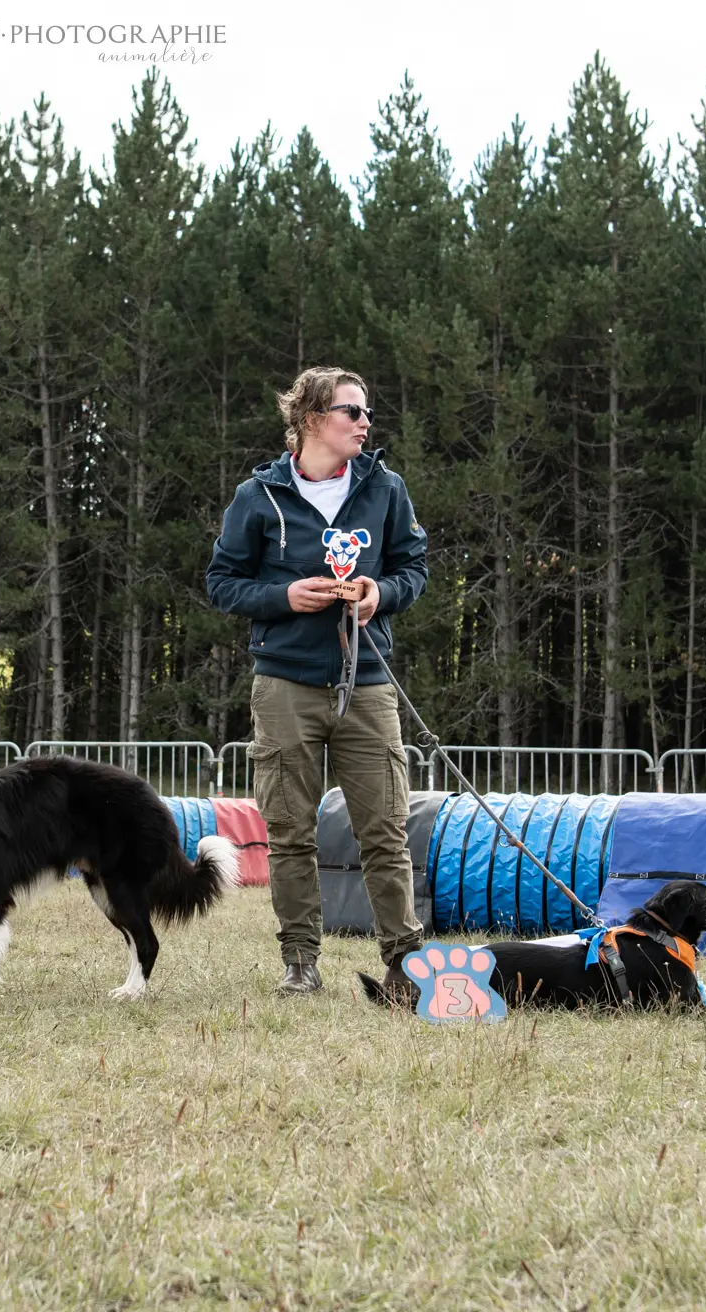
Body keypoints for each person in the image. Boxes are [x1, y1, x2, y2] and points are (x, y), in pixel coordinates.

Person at [205, 366, 429, 1004]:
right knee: (291, 833)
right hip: (285, 686)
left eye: (366, 413)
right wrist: (284, 596)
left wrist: (379, 593)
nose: (365, 423)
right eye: (351, 412)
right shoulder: (259, 495)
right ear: (310, 420)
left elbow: (415, 569)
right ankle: (300, 963)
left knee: (385, 830)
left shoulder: (387, 489)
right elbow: (222, 582)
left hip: (369, 686)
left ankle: (405, 966)